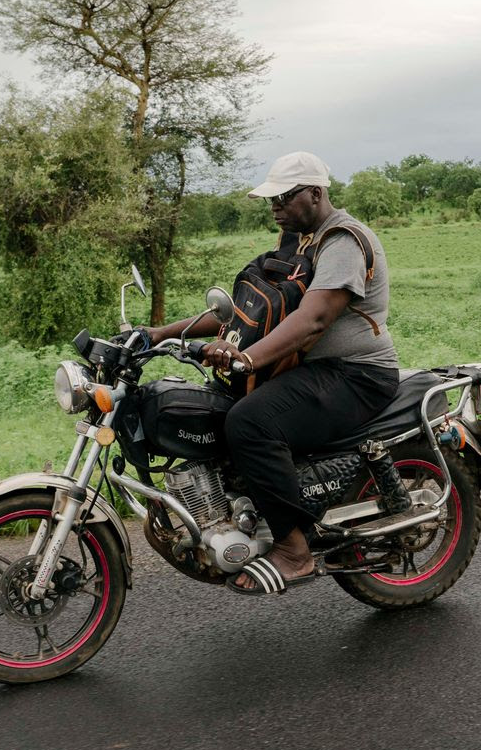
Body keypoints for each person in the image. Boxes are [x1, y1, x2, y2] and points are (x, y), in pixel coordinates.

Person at [146, 151, 400, 594]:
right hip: (310, 369)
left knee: (250, 421)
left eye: (284, 197)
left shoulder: (342, 241)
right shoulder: (297, 243)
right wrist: (158, 333)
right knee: (219, 409)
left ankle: (293, 552)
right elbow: (248, 314)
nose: (275, 207)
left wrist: (247, 359)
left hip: (355, 373)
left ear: (316, 193)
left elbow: (314, 320)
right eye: (271, 199)